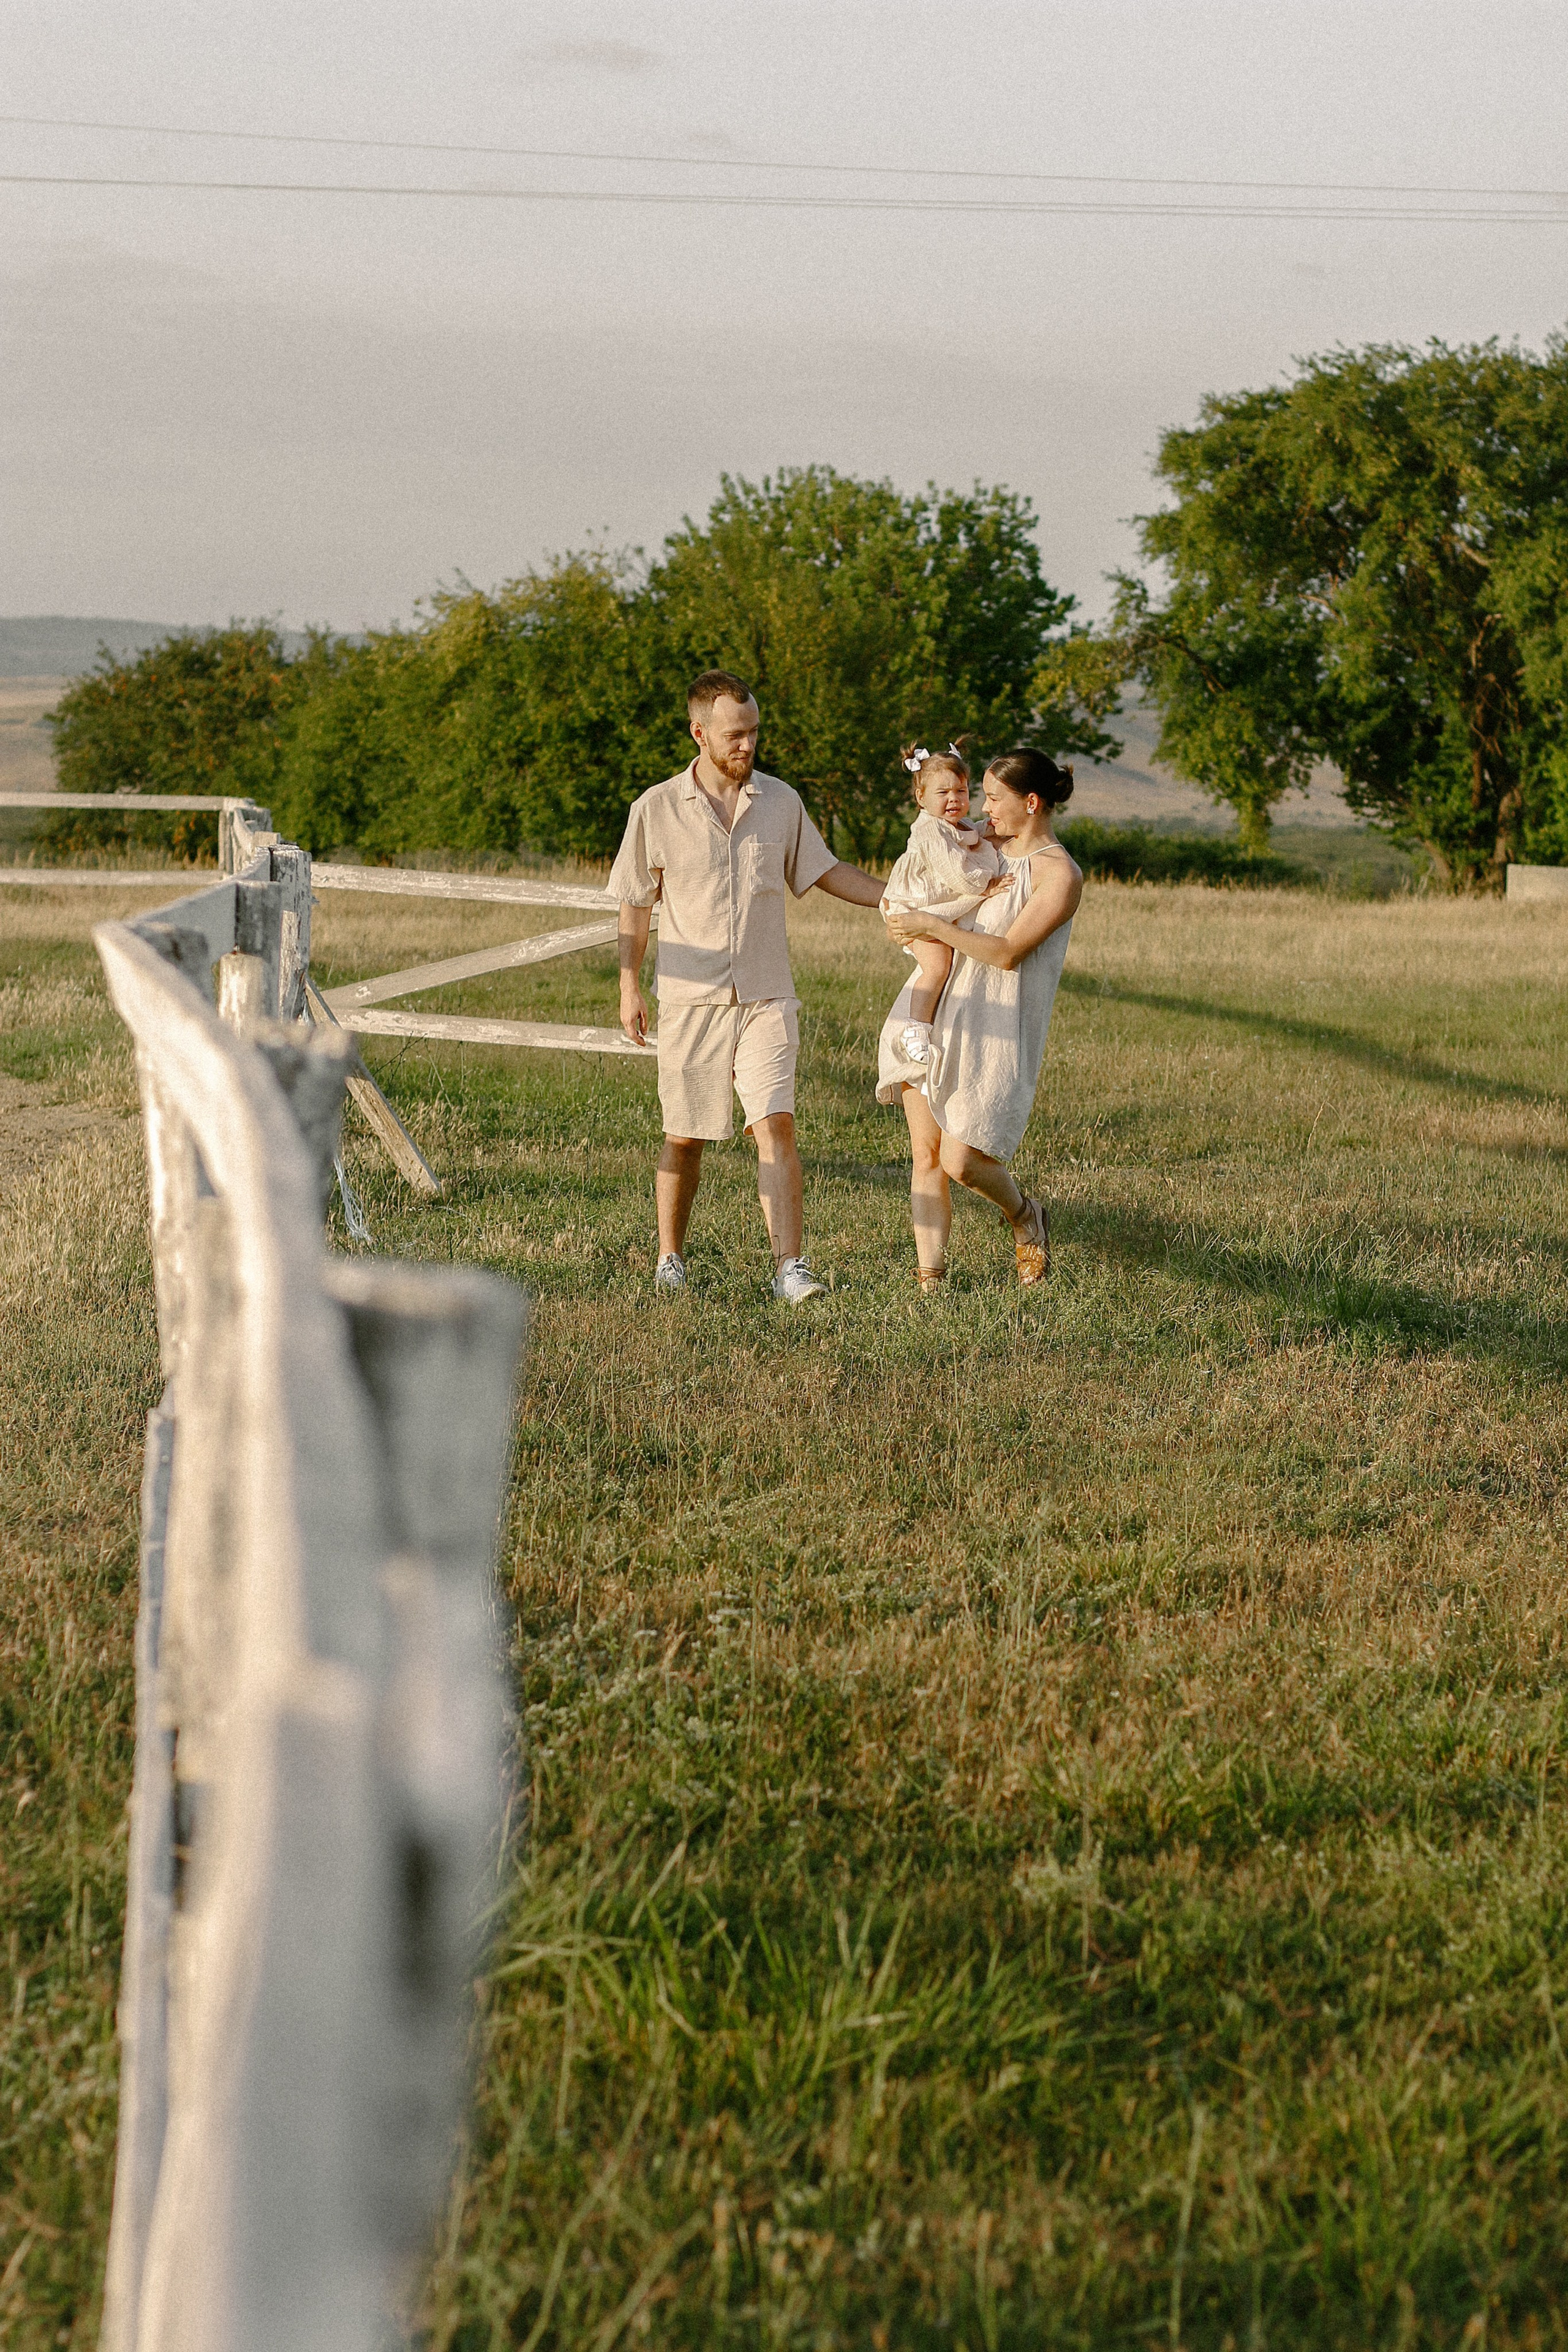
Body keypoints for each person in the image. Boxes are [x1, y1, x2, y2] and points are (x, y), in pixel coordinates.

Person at [611, 670, 886, 1301]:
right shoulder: (655, 808)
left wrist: (902, 898)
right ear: (699, 732)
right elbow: (632, 904)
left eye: (754, 733)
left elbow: (825, 871)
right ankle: (670, 1260)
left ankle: (789, 1268)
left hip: (766, 994)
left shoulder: (781, 803)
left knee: (776, 1123)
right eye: (734, 735)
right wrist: (630, 986)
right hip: (690, 999)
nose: (747, 746)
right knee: (684, 1136)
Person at [880, 747, 1083, 1291]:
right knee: (925, 1154)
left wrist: (931, 924)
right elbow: (924, 873)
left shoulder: (1059, 875)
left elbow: (1007, 952)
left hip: (996, 1026)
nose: (981, 809)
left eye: (994, 798)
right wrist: (908, 920)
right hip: (934, 1005)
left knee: (962, 1159)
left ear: (1032, 803)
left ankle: (1024, 1216)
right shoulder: (979, 844)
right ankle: (932, 1281)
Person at [878, 738, 1003, 1079]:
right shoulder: (928, 830)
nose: (954, 800)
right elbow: (955, 871)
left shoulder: (953, 826)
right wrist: (987, 885)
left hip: (932, 908)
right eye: (943, 793)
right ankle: (915, 1028)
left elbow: (968, 837)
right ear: (921, 798)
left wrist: (985, 830)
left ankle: (926, 1022)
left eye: (961, 791)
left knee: (943, 964)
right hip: (912, 907)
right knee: (937, 967)